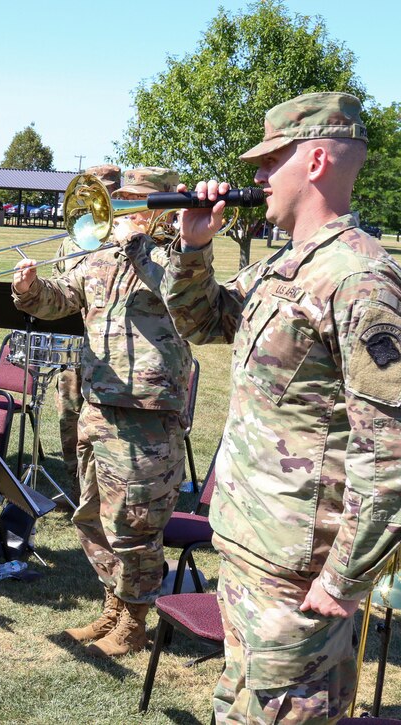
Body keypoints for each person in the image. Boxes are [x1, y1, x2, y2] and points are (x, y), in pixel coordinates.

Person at [165, 92, 401, 722]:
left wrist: (345, 577)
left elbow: (390, 453)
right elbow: (203, 320)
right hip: (252, 541)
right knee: (241, 706)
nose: (257, 178)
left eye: (272, 161)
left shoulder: (357, 279)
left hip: (304, 569)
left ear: (317, 160)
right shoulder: (284, 268)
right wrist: (193, 247)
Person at [12, 167, 192, 657]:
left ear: (166, 205)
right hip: (97, 401)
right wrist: (30, 290)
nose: (127, 207)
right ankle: (114, 603)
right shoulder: (98, 254)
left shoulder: (180, 255)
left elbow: (184, 297)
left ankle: (135, 619)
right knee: (90, 514)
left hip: (145, 409)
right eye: (125, 198)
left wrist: (138, 244)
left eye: (138, 200)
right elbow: (63, 301)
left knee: (134, 524)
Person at [51, 164, 121, 498]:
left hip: (111, 352)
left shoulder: (130, 239)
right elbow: (57, 284)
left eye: (103, 192)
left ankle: (105, 493)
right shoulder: (71, 241)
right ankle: (74, 487)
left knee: (105, 424)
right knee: (68, 417)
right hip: (72, 345)